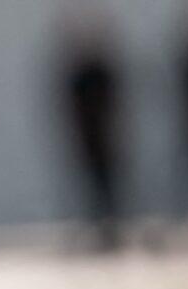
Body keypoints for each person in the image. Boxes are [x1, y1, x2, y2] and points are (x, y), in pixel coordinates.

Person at [58, 6, 129, 252]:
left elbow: (115, 104)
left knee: (111, 186)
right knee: (90, 186)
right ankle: (97, 229)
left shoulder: (102, 70)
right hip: (86, 139)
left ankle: (112, 230)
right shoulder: (78, 74)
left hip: (106, 138)